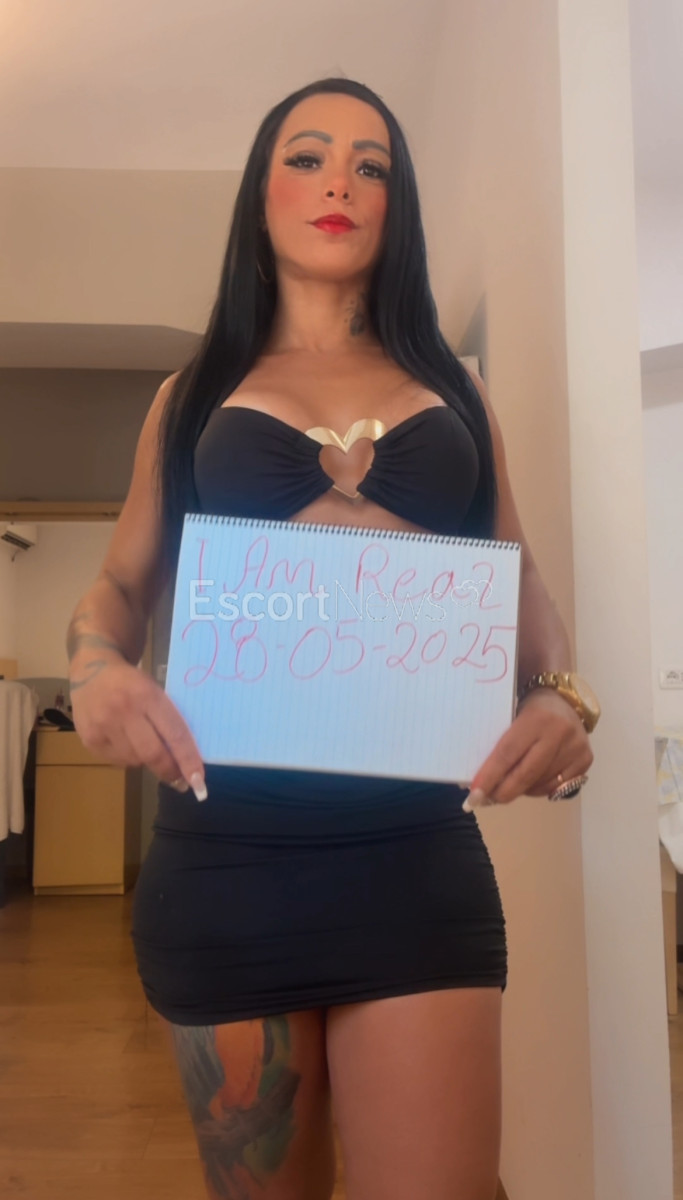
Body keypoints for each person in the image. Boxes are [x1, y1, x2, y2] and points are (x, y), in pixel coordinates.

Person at [67, 77, 597, 1200]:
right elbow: (118, 584)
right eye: (307, 157)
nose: (339, 183)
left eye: (371, 165)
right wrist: (95, 668)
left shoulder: (455, 391)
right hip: (227, 857)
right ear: (259, 194)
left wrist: (561, 695)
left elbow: (517, 577)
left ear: (395, 206)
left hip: (414, 854)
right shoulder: (190, 395)